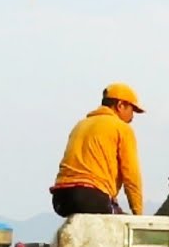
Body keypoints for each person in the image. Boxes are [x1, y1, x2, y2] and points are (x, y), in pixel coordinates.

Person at [50, 82, 145, 217]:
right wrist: (139, 216)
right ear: (120, 105)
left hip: (61, 198)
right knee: (123, 228)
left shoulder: (81, 124)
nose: (133, 116)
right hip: (90, 195)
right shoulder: (122, 128)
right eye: (132, 109)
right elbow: (131, 175)